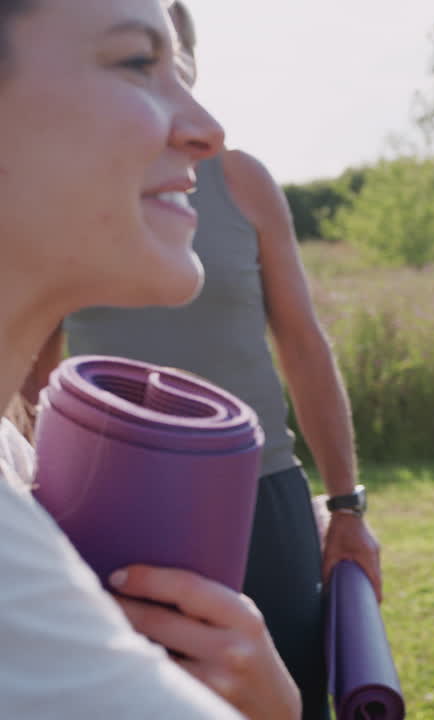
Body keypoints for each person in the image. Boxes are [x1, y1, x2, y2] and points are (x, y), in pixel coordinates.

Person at [19, 4, 383, 717]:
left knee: (285, 693)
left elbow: (303, 345)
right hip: (108, 504)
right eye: (135, 64)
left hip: (264, 493)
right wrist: (35, 488)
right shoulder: (72, 202)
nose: (192, 115)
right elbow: (39, 365)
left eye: (175, 69)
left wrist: (345, 505)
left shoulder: (239, 180)